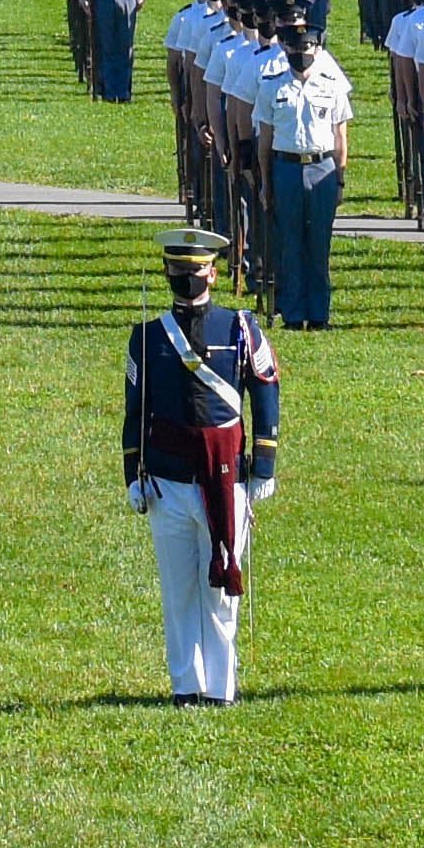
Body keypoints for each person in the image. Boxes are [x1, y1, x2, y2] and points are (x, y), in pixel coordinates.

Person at [121, 225, 284, 707]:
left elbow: (265, 388)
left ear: (213, 273)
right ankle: (184, 687)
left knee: (221, 594)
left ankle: (220, 688)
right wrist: (134, 474)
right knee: (178, 593)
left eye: (194, 271)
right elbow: (136, 409)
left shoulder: (238, 328)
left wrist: (265, 464)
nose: (187, 279)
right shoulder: (147, 338)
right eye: (178, 271)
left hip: (225, 477)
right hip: (168, 481)